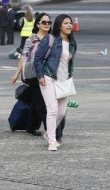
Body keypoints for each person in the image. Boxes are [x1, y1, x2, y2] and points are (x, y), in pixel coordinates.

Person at [34, 14, 77, 151]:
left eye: (70, 23)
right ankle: (52, 141)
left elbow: (70, 62)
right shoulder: (50, 39)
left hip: (63, 80)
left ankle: (48, 134)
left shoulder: (72, 43)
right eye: (66, 23)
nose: (69, 25)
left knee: (61, 112)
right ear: (59, 26)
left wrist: (71, 74)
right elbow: (38, 58)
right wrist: (40, 76)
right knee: (52, 110)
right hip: (48, 78)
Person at [10, 13, 53, 135]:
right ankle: (50, 131)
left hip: (47, 74)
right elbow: (23, 57)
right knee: (42, 104)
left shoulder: (52, 39)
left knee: (37, 102)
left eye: (49, 22)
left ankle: (31, 127)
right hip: (33, 75)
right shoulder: (32, 39)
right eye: (44, 22)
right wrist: (17, 73)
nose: (47, 24)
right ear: (38, 24)